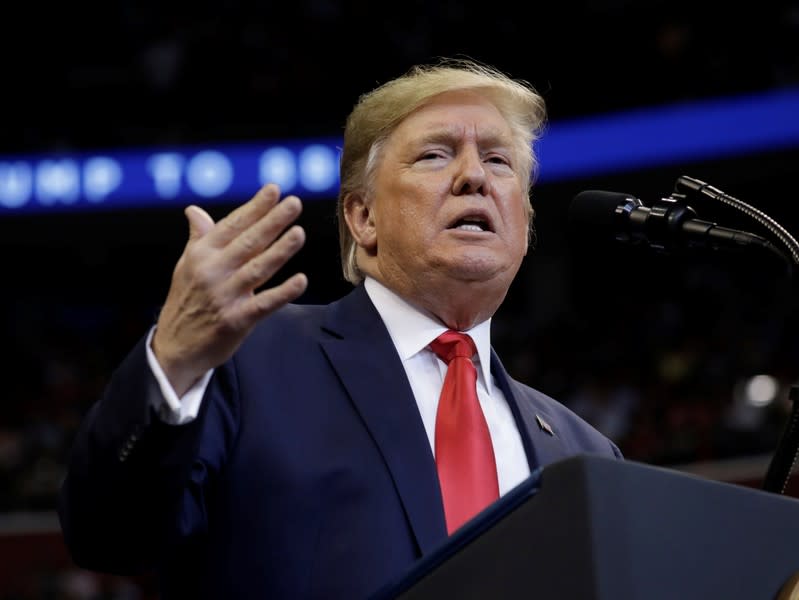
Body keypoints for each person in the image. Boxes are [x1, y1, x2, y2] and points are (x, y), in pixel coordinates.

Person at [58, 57, 622, 599]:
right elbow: (108, 537)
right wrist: (174, 363)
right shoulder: (246, 360)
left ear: (524, 222)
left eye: (500, 162)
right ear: (363, 217)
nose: (474, 175)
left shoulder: (584, 452)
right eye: (435, 154)